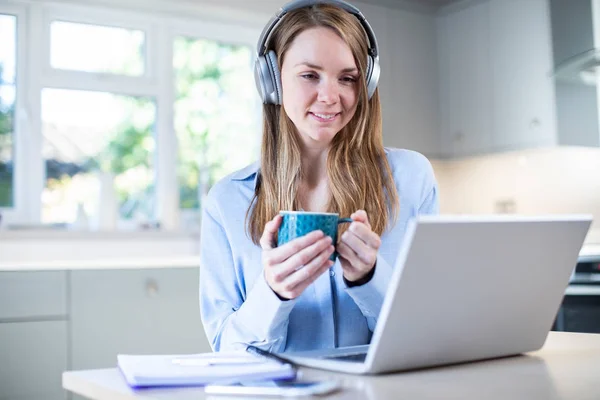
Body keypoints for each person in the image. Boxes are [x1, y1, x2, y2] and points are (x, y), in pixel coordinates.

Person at [199, 0, 439, 354]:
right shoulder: (227, 201)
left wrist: (371, 279)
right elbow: (226, 349)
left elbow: (429, 331)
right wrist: (273, 292)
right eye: (309, 75)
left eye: (348, 78)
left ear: (367, 85)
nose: (330, 97)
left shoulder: (410, 178)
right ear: (272, 81)